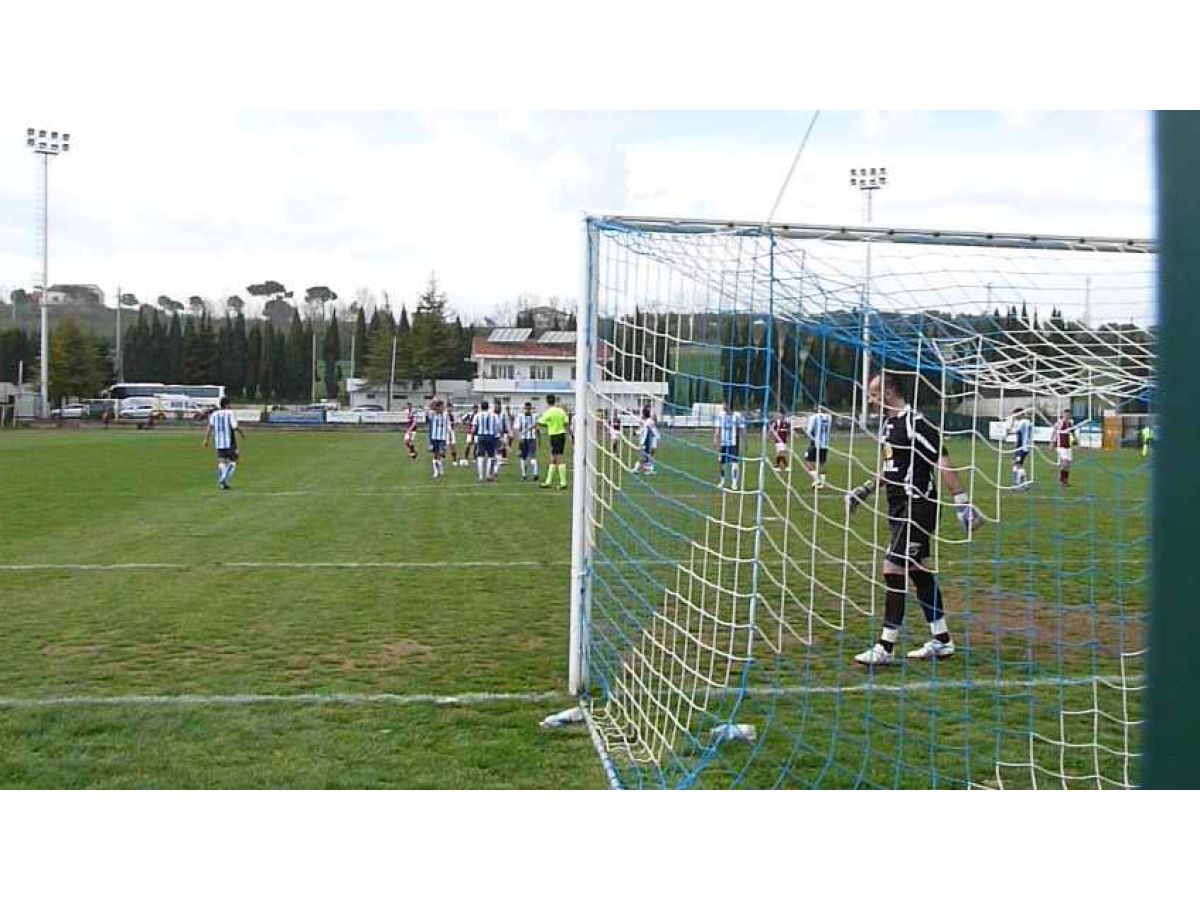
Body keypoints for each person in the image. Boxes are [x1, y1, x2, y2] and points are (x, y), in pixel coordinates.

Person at [846, 374, 983, 667]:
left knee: (892, 568)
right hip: (898, 508)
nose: (870, 400)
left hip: (918, 506)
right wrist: (865, 490)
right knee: (918, 571)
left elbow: (940, 459)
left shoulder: (916, 423)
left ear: (889, 392)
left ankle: (886, 646)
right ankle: (942, 640)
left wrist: (961, 500)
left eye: (873, 394)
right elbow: (890, 468)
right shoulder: (889, 426)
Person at [202, 396, 245, 490]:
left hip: (219, 443)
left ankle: (223, 484)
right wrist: (242, 432)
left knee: (222, 462)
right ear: (226, 404)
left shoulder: (214, 414)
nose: (231, 406)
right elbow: (234, 426)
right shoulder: (230, 413)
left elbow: (209, 427)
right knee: (234, 461)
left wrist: (206, 440)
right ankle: (223, 479)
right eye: (229, 404)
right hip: (230, 443)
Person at [538, 393, 571, 490]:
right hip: (561, 434)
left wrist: (548, 424)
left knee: (559, 458)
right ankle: (548, 482)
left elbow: (540, 422)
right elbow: (566, 422)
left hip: (555, 435)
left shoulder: (548, 412)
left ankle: (563, 483)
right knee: (553, 458)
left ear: (547, 401)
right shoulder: (561, 411)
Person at [714, 402, 746, 489]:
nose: (723, 406)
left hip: (734, 443)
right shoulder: (720, 415)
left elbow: (742, 429)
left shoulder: (737, 416)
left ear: (728, 405)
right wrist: (715, 439)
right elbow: (718, 428)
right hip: (723, 443)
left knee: (734, 463)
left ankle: (734, 483)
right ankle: (722, 481)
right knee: (721, 463)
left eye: (725, 404)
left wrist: (745, 441)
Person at [803, 409, 832, 486]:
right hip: (825, 444)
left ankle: (817, 479)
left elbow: (808, 431)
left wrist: (804, 429)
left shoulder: (814, 417)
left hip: (815, 443)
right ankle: (822, 483)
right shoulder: (829, 418)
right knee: (822, 463)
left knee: (807, 460)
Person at [473, 400, 500, 482]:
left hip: (481, 436)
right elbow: (497, 427)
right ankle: (488, 475)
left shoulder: (477, 415)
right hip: (491, 437)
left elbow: (474, 428)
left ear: (481, 407)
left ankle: (481, 476)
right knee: (491, 456)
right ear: (488, 407)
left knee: (480, 456)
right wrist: (498, 437)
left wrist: (472, 435)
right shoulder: (494, 415)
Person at [514, 401, 540, 482]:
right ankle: (525, 475)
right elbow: (516, 429)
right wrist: (519, 438)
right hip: (523, 439)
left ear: (530, 409)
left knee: (532, 457)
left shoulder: (535, 416)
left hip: (531, 439)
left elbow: (537, 429)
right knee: (523, 457)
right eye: (526, 409)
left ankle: (535, 474)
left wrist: (539, 439)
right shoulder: (520, 416)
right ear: (524, 408)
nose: (527, 410)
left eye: (528, 409)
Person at [426, 398, 452, 479]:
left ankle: (440, 469)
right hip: (434, 438)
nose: (441, 408)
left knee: (441, 453)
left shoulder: (445, 414)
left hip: (442, 438)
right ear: (436, 407)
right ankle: (436, 472)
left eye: (442, 407)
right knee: (435, 454)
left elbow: (448, 424)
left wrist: (450, 435)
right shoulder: (432, 414)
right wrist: (433, 401)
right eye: (440, 407)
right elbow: (428, 408)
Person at [1008, 410, 1033, 489]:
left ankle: (1020, 484)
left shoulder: (1023, 422)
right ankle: (1020, 483)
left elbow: (1012, 431)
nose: (1015, 417)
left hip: (1022, 447)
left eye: (1015, 415)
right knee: (1017, 464)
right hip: (1022, 447)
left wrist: (1012, 422)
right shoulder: (1026, 422)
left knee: (1017, 464)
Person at [1050, 409, 1075, 487]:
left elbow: (1072, 433)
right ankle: (1061, 478)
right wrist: (1051, 443)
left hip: (1068, 446)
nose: (1067, 416)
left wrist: (1076, 441)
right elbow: (1054, 432)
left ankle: (1065, 481)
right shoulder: (1059, 423)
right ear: (1063, 414)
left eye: (1068, 414)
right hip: (1061, 445)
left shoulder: (1071, 423)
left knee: (1068, 464)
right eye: (1066, 414)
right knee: (1065, 462)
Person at [635, 405, 659, 474]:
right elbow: (643, 427)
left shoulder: (651, 419)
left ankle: (647, 467)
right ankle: (639, 467)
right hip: (646, 438)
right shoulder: (646, 420)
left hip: (652, 437)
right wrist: (638, 432)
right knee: (644, 453)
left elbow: (654, 423)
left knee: (651, 452)